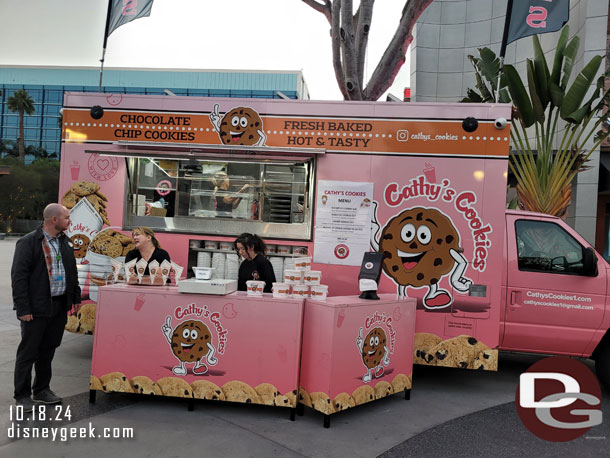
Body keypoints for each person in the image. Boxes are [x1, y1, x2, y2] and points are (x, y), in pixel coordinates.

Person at [11, 203, 81, 412]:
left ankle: (41, 390)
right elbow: (19, 278)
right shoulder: (29, 243)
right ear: (54, 220)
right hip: (36, 307)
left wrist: (75, 297)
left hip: (58, 305)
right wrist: (23, 309)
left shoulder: (65, 242)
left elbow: (72, 272)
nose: (69, 221)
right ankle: (22, 395)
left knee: (48, 350)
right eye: (67, 217)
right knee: (28, 352)